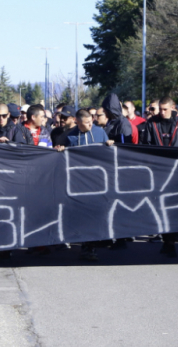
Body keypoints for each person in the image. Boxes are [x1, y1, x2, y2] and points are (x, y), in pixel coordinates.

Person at [137, 96, 178, 257]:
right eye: (160, 109)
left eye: (165, 109)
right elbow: (145, 145)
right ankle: (167, 239)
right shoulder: (152, 123)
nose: (162, 112)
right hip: (158, 171)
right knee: (161, 206)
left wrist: (177, 153)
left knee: (174, 206)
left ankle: (171, 239)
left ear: (172, 108)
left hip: (177, 171)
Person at [55, 109, 113, 261]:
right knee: (83, 214)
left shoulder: (100, 132)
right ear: (77, 122)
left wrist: (109, 145)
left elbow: (109, 153)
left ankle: (92, 244)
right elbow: (60, 154)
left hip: (97, 181)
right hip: (78, 181)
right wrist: (60, 150)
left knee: (95, 213)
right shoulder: (70, 136)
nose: (89, 125)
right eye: (85, 123)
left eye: (90, 122)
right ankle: (87, 245)